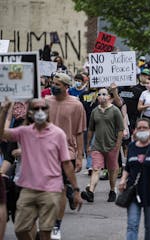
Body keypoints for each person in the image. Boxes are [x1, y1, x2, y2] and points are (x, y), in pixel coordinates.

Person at [0, 98, 82, 240]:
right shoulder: (24, 132)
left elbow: (67, 164)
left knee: (45, 232)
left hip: (50, 189)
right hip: (27, 188)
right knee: (20, 229)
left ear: (48, 111)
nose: (40, 112)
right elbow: (2, 134)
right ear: (29, 113)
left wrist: (75, 190)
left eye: (43, 109)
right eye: (36, 109)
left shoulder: (58, 134)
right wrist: (4, 111)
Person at [46, 72, 86, 239]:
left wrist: (79, 156)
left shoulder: (76, 105)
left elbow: (79, 133)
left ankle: (57, 225)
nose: (53, 86)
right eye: (52, 83)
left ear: (66, 86)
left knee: (60, 188)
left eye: (57, 84)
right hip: (45, 151)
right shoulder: (46, 102)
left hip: (66, 151)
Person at [119, 118, 150, 240]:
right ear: (134, 131)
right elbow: (128, 167)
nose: (141, 130)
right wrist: (123, 179)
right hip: (133, 192)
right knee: (132, 225)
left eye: (144, 128)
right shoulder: (131, 147)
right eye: (139, 128)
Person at [81, 88, 124, 203]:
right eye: (99, 94)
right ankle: (90, 192)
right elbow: (90, 129)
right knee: (96, 169)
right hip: (98, 145)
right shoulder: (95, 111)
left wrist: (118, 145)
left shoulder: (115, 111)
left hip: (112, 145)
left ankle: (112, 190)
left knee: (112, 170)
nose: (101, 96)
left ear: (109, 97)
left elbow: (121, 129)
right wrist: (88, 144)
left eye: (104, 94)